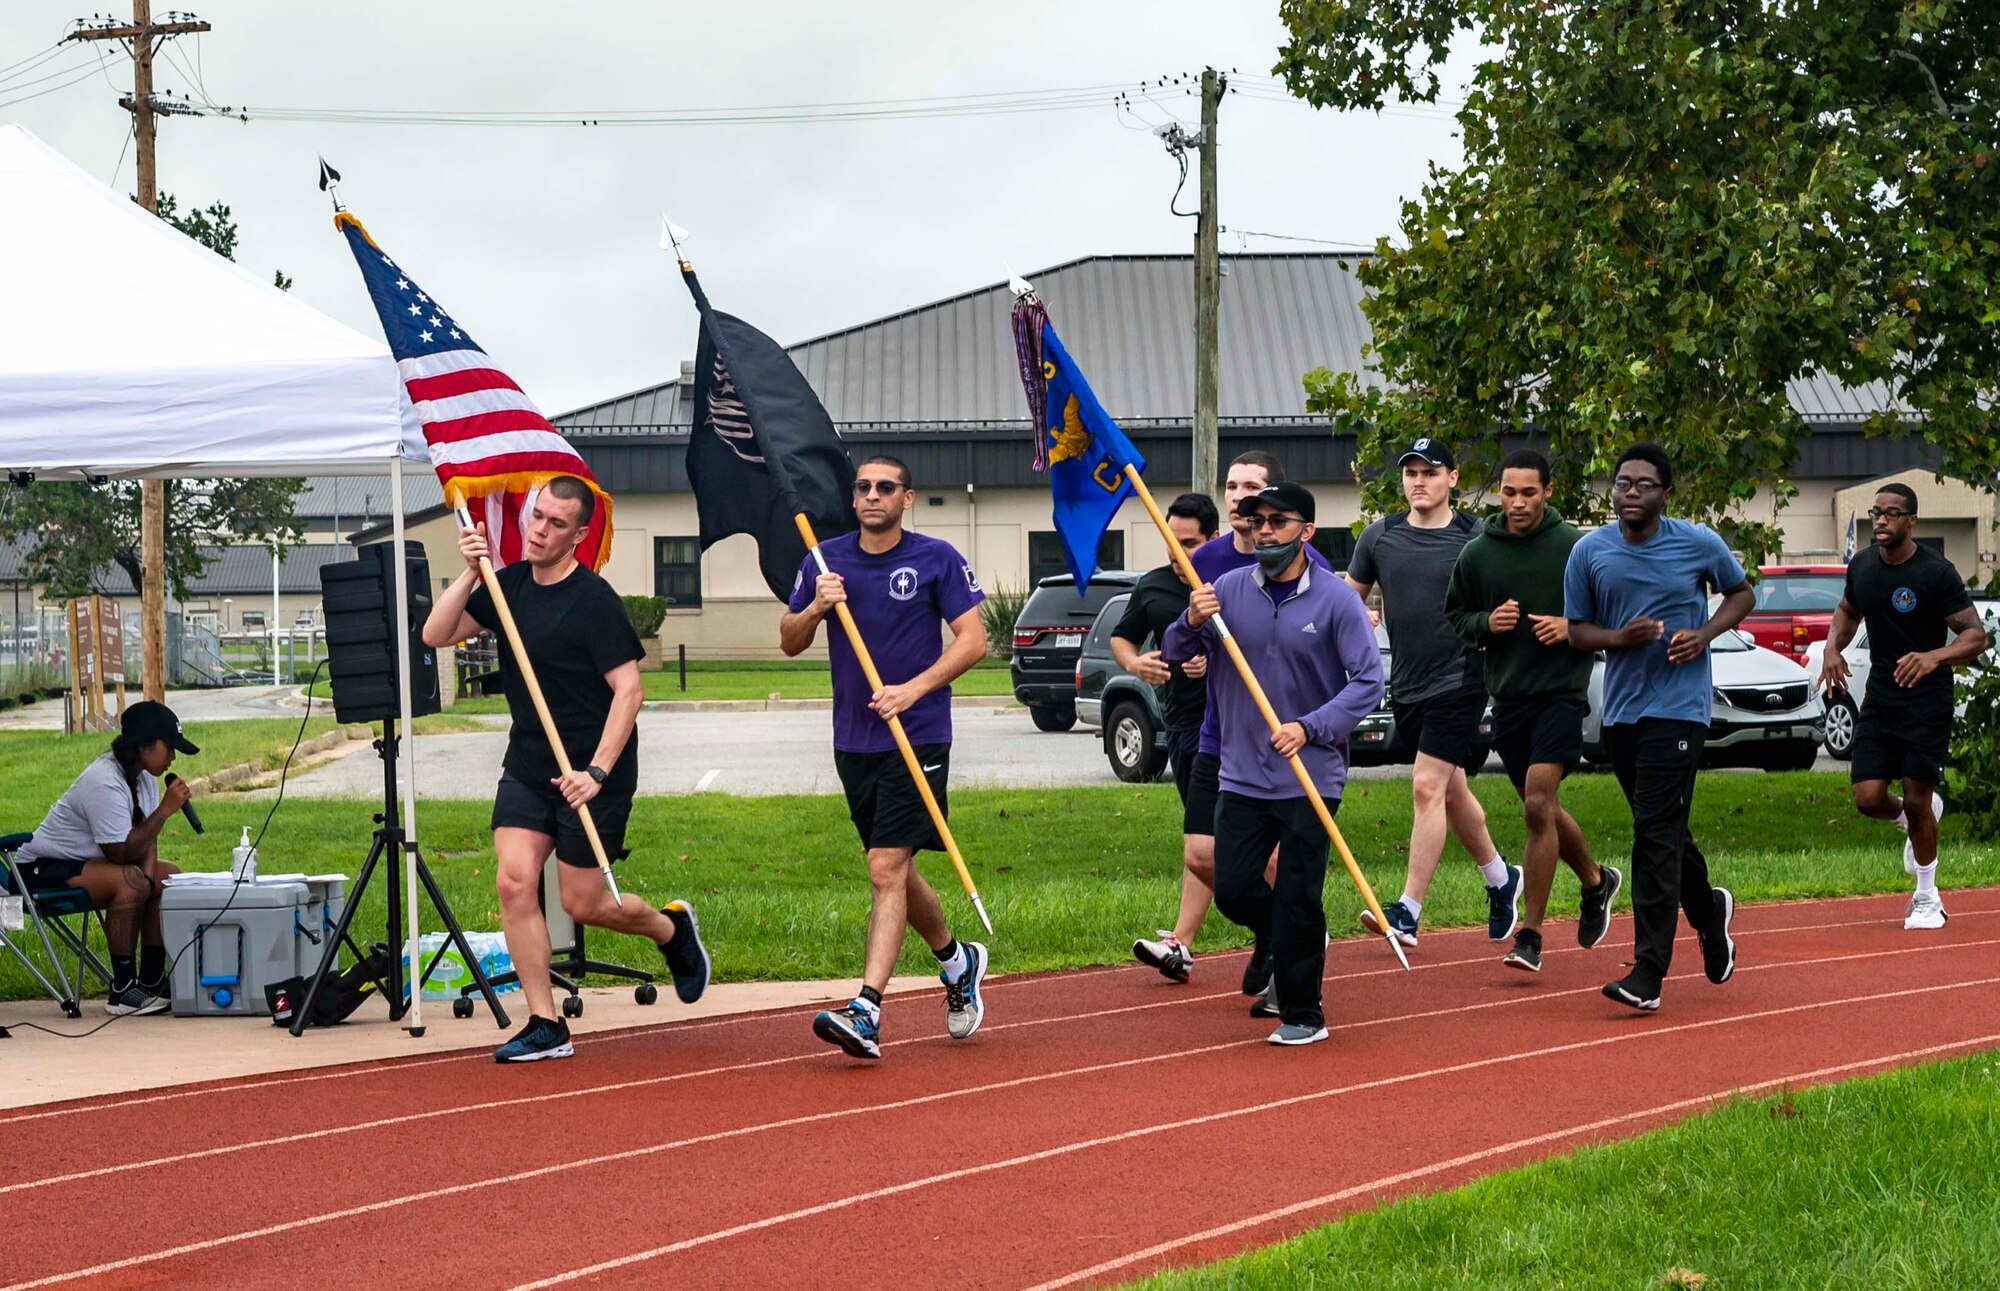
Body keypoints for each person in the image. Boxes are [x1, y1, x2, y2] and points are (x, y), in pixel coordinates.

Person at [425, 476, 710, 1063]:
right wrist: (472, 570)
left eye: (556, 524)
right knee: (513, 881)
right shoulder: (506, 589)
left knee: (583, 903)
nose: (539, 530)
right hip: (529, 764)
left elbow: (628, 692)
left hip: (592, 769)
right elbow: (436, 634)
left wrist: (597, 772)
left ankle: (670, 930)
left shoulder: (593, 600)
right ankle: (545, 1024)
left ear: (579, 535)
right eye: (536, 517)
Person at [781, 454, 990, 1060]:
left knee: (882, 868)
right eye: (865, 487)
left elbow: (974, 641)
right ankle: (956, 961)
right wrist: (816, 607)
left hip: (917, 734)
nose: (874, 495)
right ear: (854, 499)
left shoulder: (937, 559)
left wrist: (913, 690)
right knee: (895, 869)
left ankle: (867, 1008)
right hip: (854, 741)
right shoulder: (823, 560)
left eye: (886, 487)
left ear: (908, 497)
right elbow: (790, 641)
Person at [1164, 482, 1382, 1046]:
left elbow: (1368, 682)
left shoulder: (1337, 600)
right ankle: (1287, 938)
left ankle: (1305, 1012)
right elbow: (1175, 651)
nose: (1263, 530)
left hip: (1312, 774)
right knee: (1234, 887)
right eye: (1255, 521)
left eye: (1277, 521)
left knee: (1300, 890)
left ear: (1306, 531)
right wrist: (1190, 620)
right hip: (1241, 773)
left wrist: (1310, 726)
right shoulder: (1229, 590)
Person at [1564, 443, 1753, 1012]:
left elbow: (1741, 593)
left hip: (1679, 707)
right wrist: (1619, 639)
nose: (1631, 493)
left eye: (1644, 484)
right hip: (1622, 712)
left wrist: (1705, 634)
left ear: (1665, 492)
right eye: (1623, 483)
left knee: (1653, 833)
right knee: (1662, 825)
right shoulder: (1590, 552)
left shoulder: (1696, 542)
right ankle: (1709, 911)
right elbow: (1576, 631)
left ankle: (1648, 971)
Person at [1444, 449, 1619, 973]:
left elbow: (1608, 613)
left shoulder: (1575, 548)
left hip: (1562, 693)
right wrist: (1485, 623)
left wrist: (1570, 628)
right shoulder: (1478, 553)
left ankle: (1532, 935)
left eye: (1528, 492)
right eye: (1508, 492)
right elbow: (1456, 613)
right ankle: (1595, 880)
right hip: (1509, 697)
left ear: (1548, 492)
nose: (1517, 503)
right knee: (1540, 808)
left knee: (1538, 804)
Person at [1346, 438, 1519, 948]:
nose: (1419, 481)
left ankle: (1407, 911)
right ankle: (1500, 879)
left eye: (1430, 472)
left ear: (1453, 479)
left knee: (1425, 786)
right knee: (1451, 789)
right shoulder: (1379, 537)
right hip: (1409, 683)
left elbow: (1505, 599)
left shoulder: (1477, 536)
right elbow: (1346, 600)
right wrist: (1361, 616)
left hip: (1461, 679)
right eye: (1411, 473)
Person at [1180, 451, 1331, 996]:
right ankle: (1279, 932)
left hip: (1291, 745)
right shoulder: (1209, 559)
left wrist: (1312, 725)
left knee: (1284, 870)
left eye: (1254, 489)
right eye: (1233, 486)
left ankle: (1293, 964)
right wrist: (1189, 643)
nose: (1243, 500)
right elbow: (1186, 636)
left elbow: (1346, 665)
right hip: (1223, 735)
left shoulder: (1320, 575)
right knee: (1208, 858)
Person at [1817, 482, 1989, 931]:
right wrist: (1832, 649)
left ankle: (1928, 897)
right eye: (1877, 513)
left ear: (1911, 520)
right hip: (1881, 694)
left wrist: (1933, 656)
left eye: (1892, 514)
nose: (1881, 521)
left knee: (1917, 795)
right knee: (1867, 797)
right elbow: (1847, 610)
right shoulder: (1864, 566)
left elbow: (1975, 635)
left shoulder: (1936, 572)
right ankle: (1916, 819)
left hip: (1927, 700)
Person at [16, 701, 194, 1015]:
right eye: (169, 748)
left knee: (168, 877)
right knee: (131, 880)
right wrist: (165, 811)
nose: (173, 758)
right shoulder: (104, 780)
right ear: (144, 746)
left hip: (91, 865)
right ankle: (123, 989)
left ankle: (151, 981)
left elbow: (145, 839)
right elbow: (121, 852)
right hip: (40, 869)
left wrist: (151, 877)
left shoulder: (143, 779)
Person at [1117, 493, 1221, 982]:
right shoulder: (1153, 586)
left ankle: (1288, 921)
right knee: (1200, 841)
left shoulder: (1233, 581)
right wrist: (1137, 663)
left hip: (1229, 728)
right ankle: (1182, 944)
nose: (1180, 554)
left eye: (1191, 544)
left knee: (1216, 840)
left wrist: (1211, 659)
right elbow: (1123, 637)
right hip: (1179, 724)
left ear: (1214, 540)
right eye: (1171, 543)